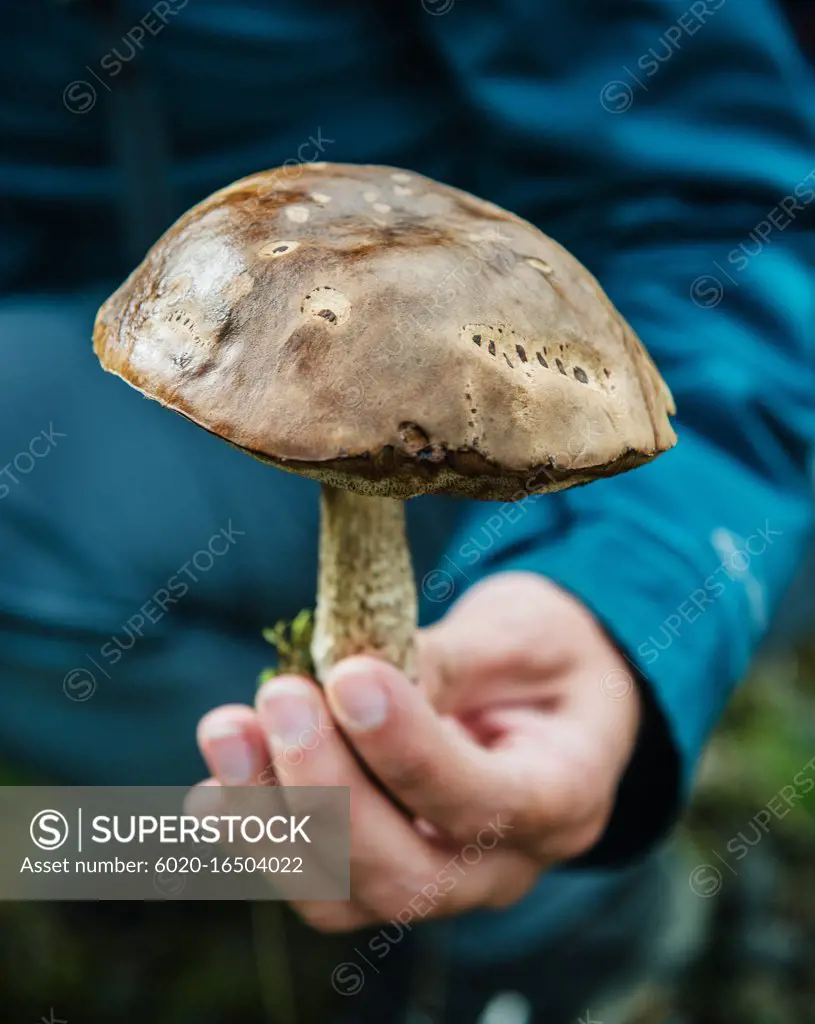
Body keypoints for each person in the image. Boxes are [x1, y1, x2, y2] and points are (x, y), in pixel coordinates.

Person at [1, 0, 814, 1020]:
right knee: (123, 803)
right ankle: (189, 858)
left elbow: (725, 222)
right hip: (153, 380)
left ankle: (549, 911)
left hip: (650, 447)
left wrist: (618, 593)